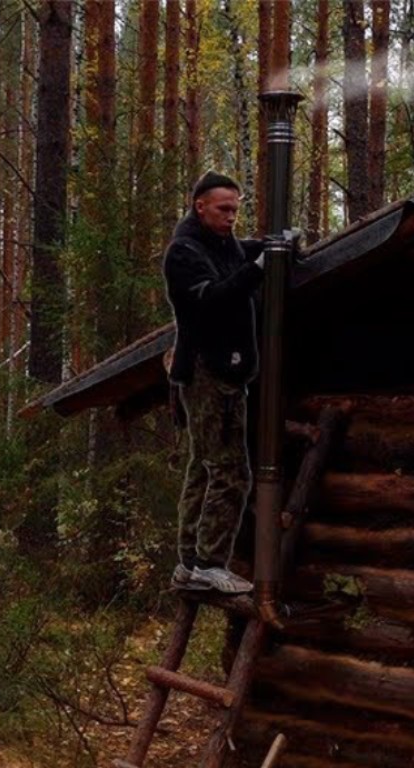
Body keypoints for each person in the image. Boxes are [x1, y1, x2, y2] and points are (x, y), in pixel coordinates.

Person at [162, 172, 265, 594]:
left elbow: (243, 251)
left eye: (236, 210)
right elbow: (214, 298)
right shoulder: (184, 253)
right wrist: (257, 270)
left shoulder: (220, 245)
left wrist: (275, 246)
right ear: (199, 205)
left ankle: (189, 562)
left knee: (202, 470)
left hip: (223, 373)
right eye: (224, 209)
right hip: (209, 373)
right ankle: (207, 563)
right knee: (229, 472)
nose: (232, 218)